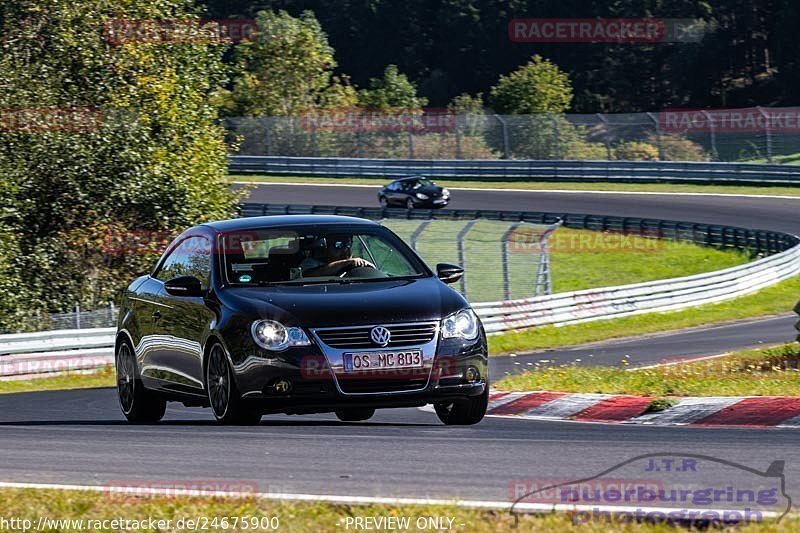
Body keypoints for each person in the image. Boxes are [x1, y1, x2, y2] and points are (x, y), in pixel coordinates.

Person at [302, 235, 374, 277]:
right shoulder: (311, 263)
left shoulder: (354, 263)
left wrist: (369, 266)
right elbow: (308, 275)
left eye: (348, 245)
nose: (345, 249)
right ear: (326, 246)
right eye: (338, 245)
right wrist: (345, 263)